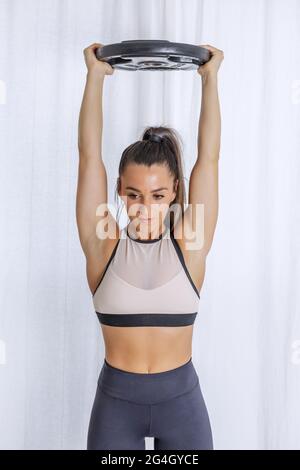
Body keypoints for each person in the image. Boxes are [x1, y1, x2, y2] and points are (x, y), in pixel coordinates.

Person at [76, 42, 224, 450]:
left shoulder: (189, 246)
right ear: (119, 192)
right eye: (134, 195)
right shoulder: (102, 246)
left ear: (175, 191)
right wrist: (95, 77)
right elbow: (89, 157)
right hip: (115, 408)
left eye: (158, 196)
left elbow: (208, 159)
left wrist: (210, 79)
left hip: (182, 407)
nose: (145, 207)